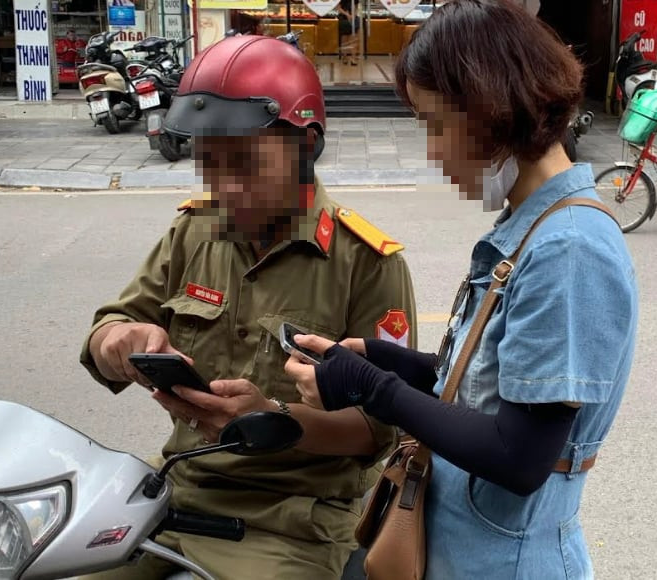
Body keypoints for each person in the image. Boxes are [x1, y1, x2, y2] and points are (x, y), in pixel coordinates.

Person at [285, 1, 638, 578]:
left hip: (504, 563)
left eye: (434, 123)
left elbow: (519, 455)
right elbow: (488, 387)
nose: (431, 151)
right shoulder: (532, 230)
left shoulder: (568, 248)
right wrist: (382, 359)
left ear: (489, 109)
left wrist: (372, 388)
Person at [79, 34, 418, 579]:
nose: (224, 187)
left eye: (245, 164)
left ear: (305, 147)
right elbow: (111, 324)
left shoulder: (367, 264)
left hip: (292, 520)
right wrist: (118, 341)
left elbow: (381, 429)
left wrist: (276, 420)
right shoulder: (195, 232)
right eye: (208, 164)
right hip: (178, 489)